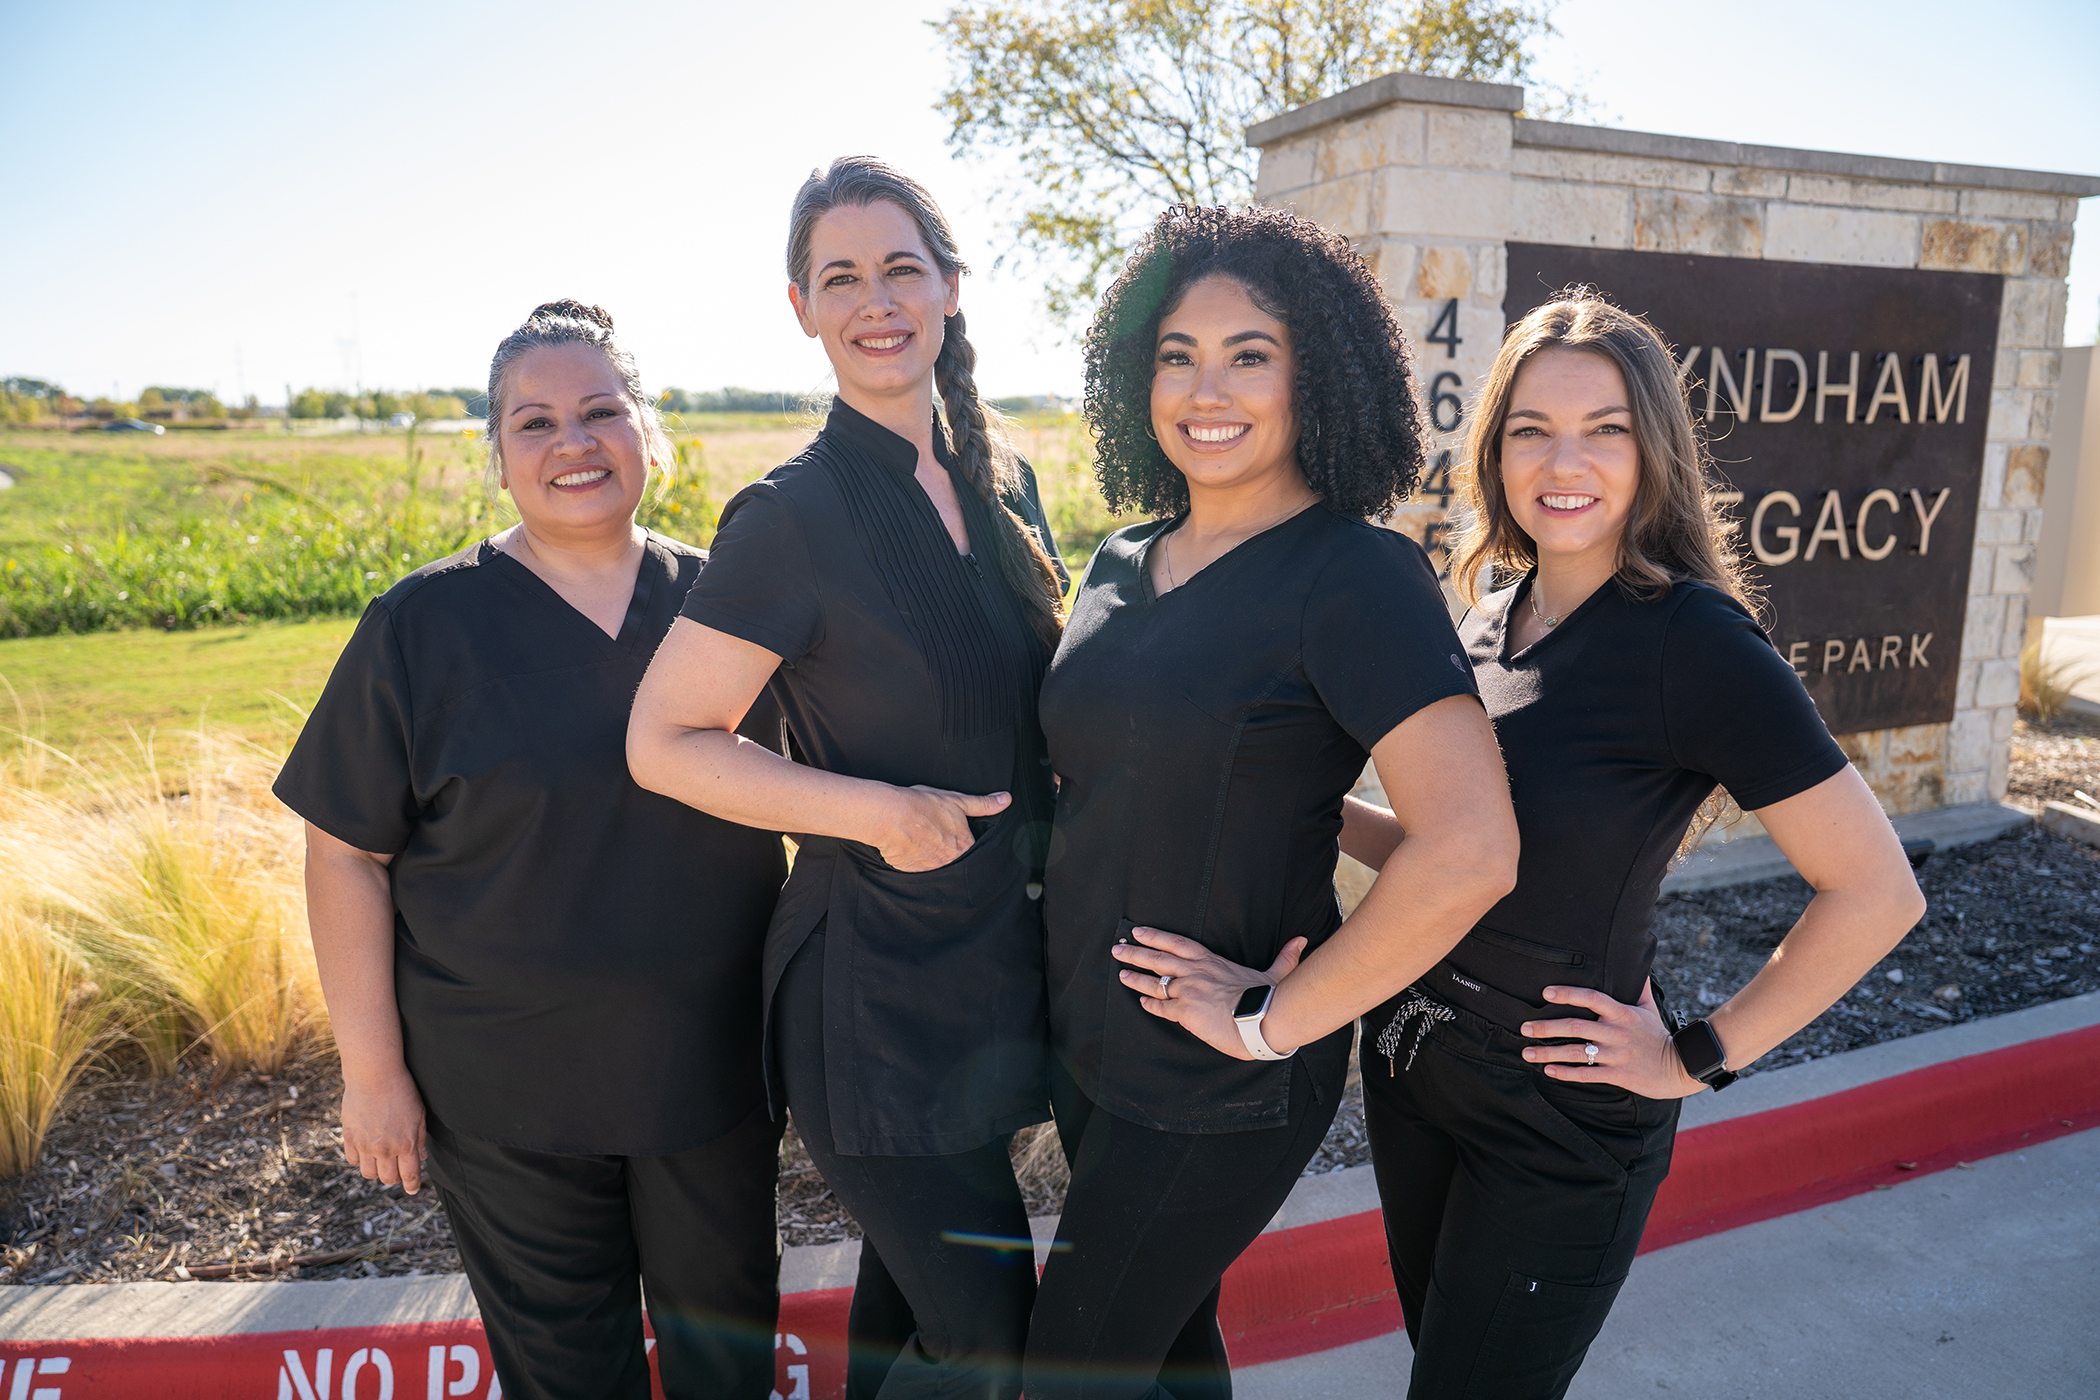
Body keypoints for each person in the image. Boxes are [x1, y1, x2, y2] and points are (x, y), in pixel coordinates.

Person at [1342, 290, 1928, 1398]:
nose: (1565, 460)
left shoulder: (1694, 640)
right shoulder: (1484, 619)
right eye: (1532, 429)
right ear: (1497, 452)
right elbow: (1455, 858)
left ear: (1652, 447)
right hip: (1416, 1066)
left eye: (1603, 427)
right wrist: (1322, 811)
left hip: (1557, 1121)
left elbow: (1875, 889)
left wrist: (1696, 1055)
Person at [1022, 205, 1521, 1400]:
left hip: (1219, 1075)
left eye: (1251, 352)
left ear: (1319, 377)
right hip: (1087, 1044)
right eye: (1177, 354)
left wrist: (1276, 1016)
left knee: (1068, 1370)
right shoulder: (1120, 559)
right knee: (1170, 1355)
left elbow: (1472, 849)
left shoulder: (1354, 574)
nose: (1209, 386)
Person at [276, 301, 790, 1400]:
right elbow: (344, 853)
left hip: (711, 1075)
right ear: (498, 455)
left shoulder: (728, 606)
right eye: (535, 421)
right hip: (506, 1098)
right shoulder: (420, 627)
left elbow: (828, 786)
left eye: (602, 410)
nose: (573, 442)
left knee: (728, 1366)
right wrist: (372, 1075)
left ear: (649, 433)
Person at [626, 157, 1068, 1400]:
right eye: (841, 277)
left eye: (900, 268)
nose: (875, 299)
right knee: (994, 1337)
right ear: (801, 308)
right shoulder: (790, 514)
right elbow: (665, 738)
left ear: (951, 288)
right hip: (869, 998)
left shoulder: (1006, 483)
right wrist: (877, 812)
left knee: (911, 1318)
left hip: (995, 972)